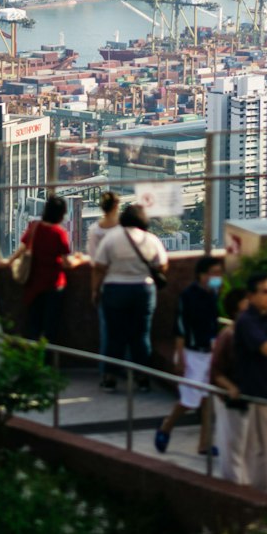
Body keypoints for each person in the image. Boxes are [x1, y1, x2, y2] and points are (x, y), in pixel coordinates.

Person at [91, 203, 168, 392]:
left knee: (114, 336)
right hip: (143, 290)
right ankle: (142, 378)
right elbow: (163, 265)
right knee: (141, 336)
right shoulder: (151, 239)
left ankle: (110, 378)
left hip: (115, 289)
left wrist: (95, 290)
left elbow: (99, 266)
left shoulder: (112, 238)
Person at [155, 255, 221, 455]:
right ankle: (166, 426)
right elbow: (181, 327)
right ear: (202, 275)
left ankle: (204, 443)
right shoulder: (188, 295)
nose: (219, 277)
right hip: (191, 352)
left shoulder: (213, 293)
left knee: (208, 399)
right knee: (189, 400)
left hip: (209, 350)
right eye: (215, 273)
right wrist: (181, 356)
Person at [234, 272, 267, 496]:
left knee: (264, 447)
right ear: (251, 295)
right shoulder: (248, 321)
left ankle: (262, 493)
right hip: (261, 391)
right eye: (266, 292)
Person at [0, 195, 81, 342]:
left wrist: (9, 261)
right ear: (60, 214)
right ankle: (48, 360)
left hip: (34, 283)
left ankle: (33, 360)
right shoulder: (59, 233)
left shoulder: (34, 227)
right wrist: (79, 260)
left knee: (33, 326)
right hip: (54, 284)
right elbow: (66, 263)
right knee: (51, 328)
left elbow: (22, 248)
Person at [210, 286, 251, 483]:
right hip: (231, 400)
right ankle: (235, 485)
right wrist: (230, 388)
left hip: (248, 398)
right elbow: (215, 372)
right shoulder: (228, 336)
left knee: (247, 446)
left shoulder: (253, 334)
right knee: (232, 445)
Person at [86, 192, 120, 377]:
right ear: (117, 206)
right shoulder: (124, 229)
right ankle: (132, 371)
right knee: (131, 331)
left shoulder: (95, 230)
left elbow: (94, 262)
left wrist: (94, 289)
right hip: (128, 281)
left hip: (107, 283)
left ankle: (107, 372)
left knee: (107, 331)